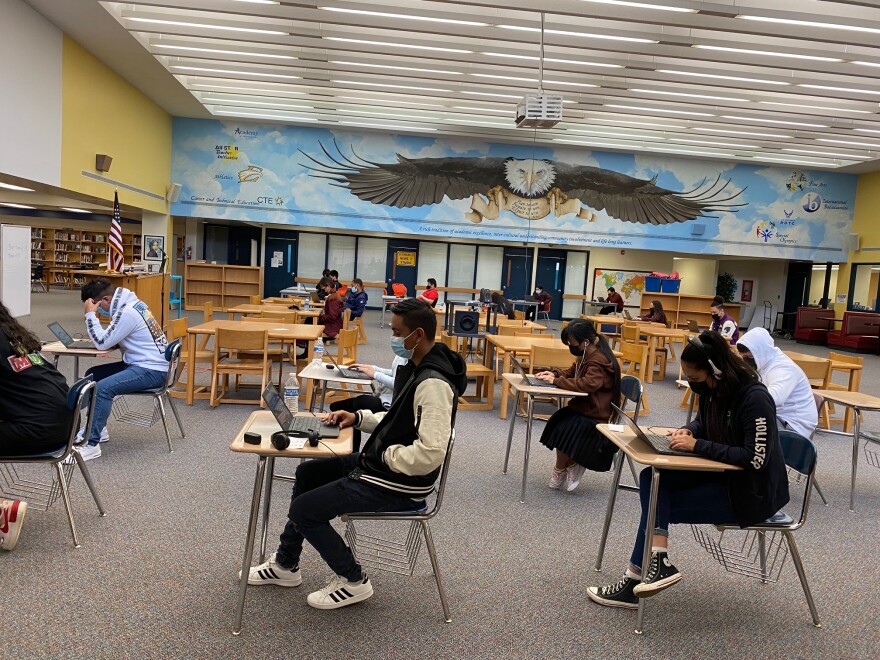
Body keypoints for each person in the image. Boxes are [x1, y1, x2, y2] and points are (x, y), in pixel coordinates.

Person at [246, 299, 467, 610]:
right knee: (308, 474)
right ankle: (285, 565)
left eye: (396, 331)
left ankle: (353, 580)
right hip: (384, 467)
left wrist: (387, 457)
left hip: (400, 482)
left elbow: (430, 453)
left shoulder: (433, 383)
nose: (392, 337)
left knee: (304, 509)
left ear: (417, 335)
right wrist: (359, 418)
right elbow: (398, 420)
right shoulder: (418, 368)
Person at [587, 331, 789, 609]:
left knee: (657, 501)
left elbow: (755, 459)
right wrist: (689, 431)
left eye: (694, 378)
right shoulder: (715, 388)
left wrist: (697, 446)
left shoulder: (754, 398)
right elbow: (702, 423)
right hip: (723, 474)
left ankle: (636, 580)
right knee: (652, 477)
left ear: (715, 370)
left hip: (750, 494)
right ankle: (658, 561)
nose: (692, 385)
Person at [77, 277, 169, 461]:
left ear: (106, 300)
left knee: (102, 388)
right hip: (147, 363)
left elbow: (102, 343)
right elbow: (115, 336)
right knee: (92, 376)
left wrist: (90, 316)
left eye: (97, 306)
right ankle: (98, 428)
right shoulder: (134, 304)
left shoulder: (127, 312)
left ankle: (91, 444)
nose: (99, 311)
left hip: (152, 370)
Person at [537, 320, 621, 492]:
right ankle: (565, 466)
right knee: (558, 421)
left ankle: (568, 466)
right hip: (584, 407)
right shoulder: (585, 355)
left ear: (586, 342)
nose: (570, 347)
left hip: (596, 414)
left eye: (572, 344)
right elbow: (573, 372)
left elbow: (588, 384)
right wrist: (553, 373)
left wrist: (557, 381)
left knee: (564, 428)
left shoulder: (598, 360)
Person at [736, 327, 818, 438]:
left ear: (760, 352)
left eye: (748, 357)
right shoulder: (764, 361)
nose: (745, 361)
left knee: (745, 423)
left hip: (794, 425)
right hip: (779, 416)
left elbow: (772, 399)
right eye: (743, 357)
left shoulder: (783, 368)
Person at [328, 355, 409, 451]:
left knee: (356, 405)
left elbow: (401, 383)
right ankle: (351, 451)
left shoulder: (415, 357)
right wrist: (371, 369)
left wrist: (375, 374)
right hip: (387, 398)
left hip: (394, 404)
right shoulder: (403, 354)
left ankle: (351, 451)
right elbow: (394, 373)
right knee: (350, 408)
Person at [317, 276, 343, 340]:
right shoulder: (335, 295)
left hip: (332, 327)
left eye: (323, 288)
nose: (323, 291)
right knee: (309, 320)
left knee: (309, 323)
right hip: (335, 324)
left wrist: (321, 318)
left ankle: (308, 345)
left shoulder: (332, 299)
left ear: (328, 286)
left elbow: (332, 317)